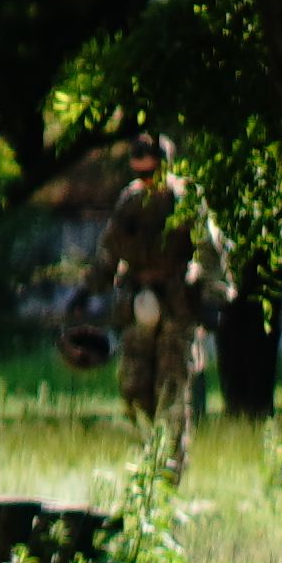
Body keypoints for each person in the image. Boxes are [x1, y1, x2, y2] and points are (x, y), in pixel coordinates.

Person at [95, 132, 224, 466]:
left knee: (173, 391)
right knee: (133, 387)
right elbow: (110, 250)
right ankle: (147, 459)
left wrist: (209, 295)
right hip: (138, 307)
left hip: (177, 309)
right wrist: (88, 290)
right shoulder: (130, 200)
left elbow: (209, 251)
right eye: (140, 172)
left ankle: (171, 465)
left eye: (151, 172)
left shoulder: (186, 200)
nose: (146, 179)